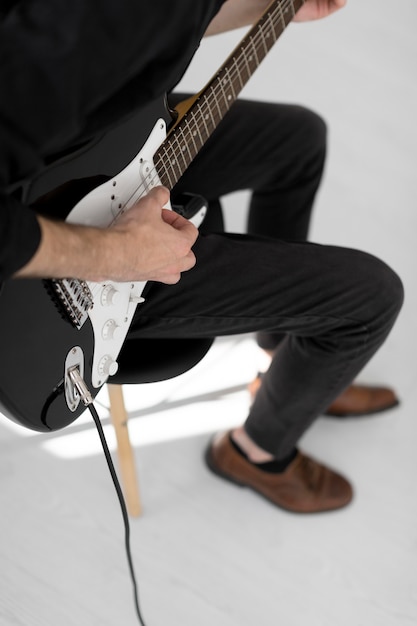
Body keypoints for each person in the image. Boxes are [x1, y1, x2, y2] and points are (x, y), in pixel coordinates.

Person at [1, 0, 404, 513]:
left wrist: (270, 8)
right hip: (54, 286)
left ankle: (285, 358)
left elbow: (155, 30)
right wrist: (122, 253)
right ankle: (257, 453)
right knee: (373, 298)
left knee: (300, 141)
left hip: (100, 149)